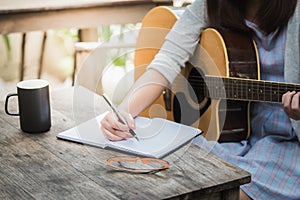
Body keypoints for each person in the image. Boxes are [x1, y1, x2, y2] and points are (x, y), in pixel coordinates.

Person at [100, 0, 300, 199]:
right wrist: (123, 112)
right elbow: (165, 64)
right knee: (158, 169)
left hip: (288, 145)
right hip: (230, 139)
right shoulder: (211, 4)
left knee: (225, 192)